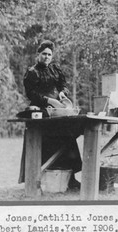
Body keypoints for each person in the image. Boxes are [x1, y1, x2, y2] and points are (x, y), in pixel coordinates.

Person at [19, 40, 82, 189]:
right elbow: (31, 94)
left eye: (49, 54)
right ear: (38, 55)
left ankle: (70, 177)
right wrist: (49, 100)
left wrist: (61, 93)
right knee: (47, 143)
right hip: (41, 110)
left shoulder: (55, 69)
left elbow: (63, 85)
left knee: (68, 138)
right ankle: (40, 180)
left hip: (58, 110)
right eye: (44, 54)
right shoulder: (32, 72)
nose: (46, 57)